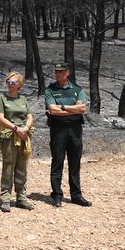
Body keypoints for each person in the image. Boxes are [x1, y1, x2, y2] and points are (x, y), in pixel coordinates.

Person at [45, 61, 92, 207]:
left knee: (75, 162)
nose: (58, 74)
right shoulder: (50, 90)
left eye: (61, 71)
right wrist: (73, 108)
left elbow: (82, 109)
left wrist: (63, 107)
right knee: (57, 161)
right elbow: (52, 110)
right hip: (58, 129)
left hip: (75, 129)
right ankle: (57, 195)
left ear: (68, 73)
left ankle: (76, 195)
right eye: (56, 71)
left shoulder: (77, 90)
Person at [0, 71, 34, 212]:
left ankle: (21, 197)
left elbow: (29, 116)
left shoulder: (23, 99)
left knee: (22, 167)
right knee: (9, 166)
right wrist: (16, 129)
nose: (10, 84)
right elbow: (1, 118)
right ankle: (5, 198)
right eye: (8, 82)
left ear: (19, 84)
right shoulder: (2, 99)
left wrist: (26, 128)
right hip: (9, 136)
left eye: (13, 82)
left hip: (23, 136)